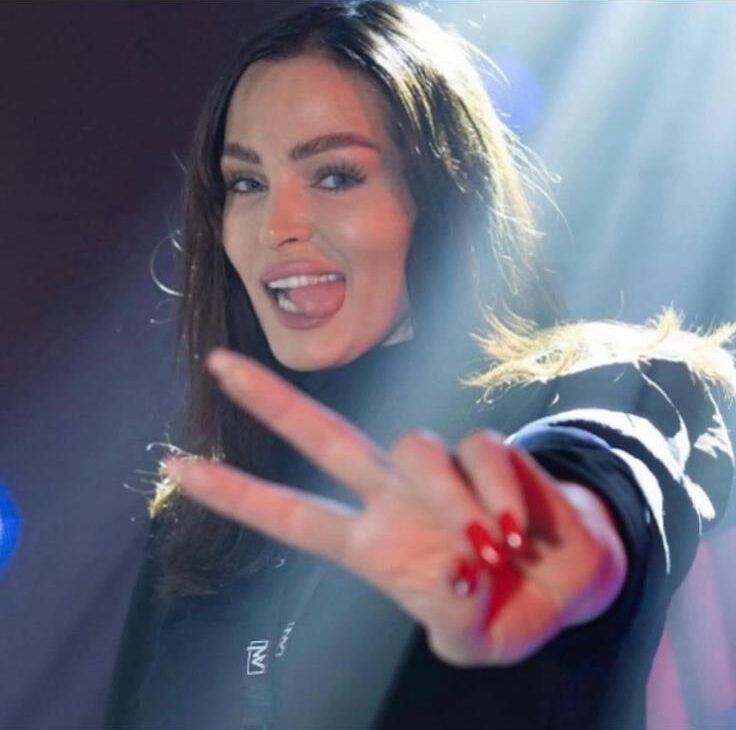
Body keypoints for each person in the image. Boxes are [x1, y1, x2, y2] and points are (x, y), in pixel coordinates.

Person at [104, 2, 735, 729]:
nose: (277, 227)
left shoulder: (597, 383)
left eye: (335, 175)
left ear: (441, 192)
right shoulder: (200, 520)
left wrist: (563, 533)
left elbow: (603, 460)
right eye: (246, 183)